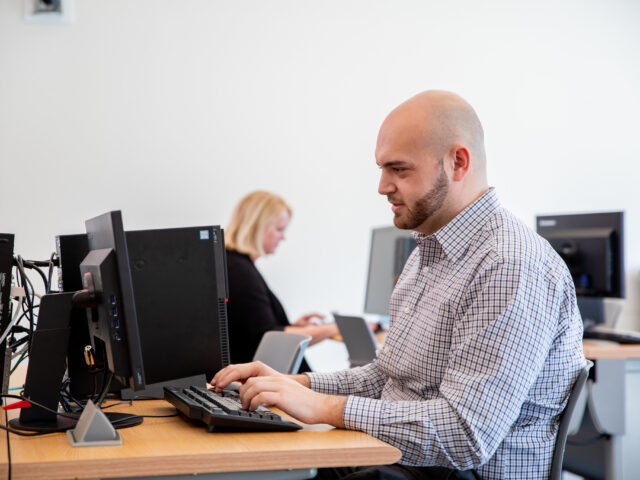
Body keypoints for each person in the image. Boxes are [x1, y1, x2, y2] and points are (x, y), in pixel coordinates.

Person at [213, 91, 586, 479]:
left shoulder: (509, 264)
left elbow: (466, 433)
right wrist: (293, 385)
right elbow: (386, 378)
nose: (382, 186)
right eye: (382, 169)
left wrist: (324, 408)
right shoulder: (427, 253)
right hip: (401, 462)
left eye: (399, 170)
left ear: (458, 162)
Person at [224, 191, 339, 369]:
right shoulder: (239, 271)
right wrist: (333, 328)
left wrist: (293, 326)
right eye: (279, 229)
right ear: (257, 227)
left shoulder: (238, 266)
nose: (283, 237)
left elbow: (253, 327)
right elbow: (266, 337)